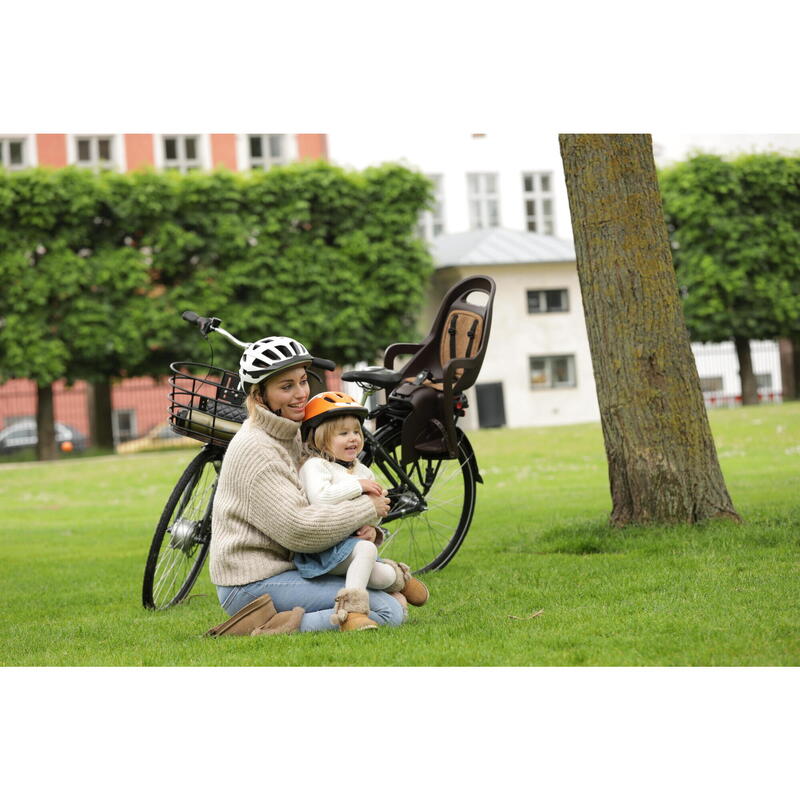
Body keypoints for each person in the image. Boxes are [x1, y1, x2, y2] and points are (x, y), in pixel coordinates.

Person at [207, 335, 404, 636]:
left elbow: (317, 502)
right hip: (250, 584)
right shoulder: (255, 449)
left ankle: (292, 616)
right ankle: (260, 626)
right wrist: (366, 508)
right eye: (286, 386)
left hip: (291, 569)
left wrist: (368, 528)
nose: (301, 394)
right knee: (386, 610)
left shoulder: (290, 433)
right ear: (260, 396)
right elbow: (300, 530)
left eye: (302, 381)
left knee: (379, 589)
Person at [294, 392, 429, 631]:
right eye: (343, 433)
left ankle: (398, 580)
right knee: (366, 550)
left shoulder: (363, 470)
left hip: (353, 550)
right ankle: (353, 612)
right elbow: (320, 499)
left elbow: (378, 509)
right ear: (320, 438)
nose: (353, 438)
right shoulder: (316, 466)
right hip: (324, 550)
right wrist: (357, 486)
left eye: (356, 432)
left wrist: (372, 526)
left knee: (382, 576)